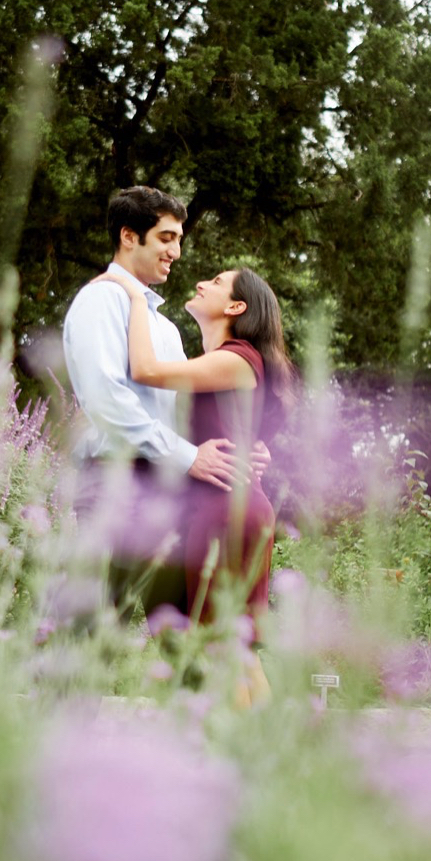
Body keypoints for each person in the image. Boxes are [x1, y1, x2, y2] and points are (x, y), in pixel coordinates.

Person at [61, 192, 238, 574]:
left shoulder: (166, 328)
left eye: (179, 240)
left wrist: (241, 447)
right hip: (113, 483)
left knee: (176, 625)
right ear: (129, 236)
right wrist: (189, 457)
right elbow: (106, 399)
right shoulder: (100, 299)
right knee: (101, 625)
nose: (176, 251)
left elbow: (181, 410)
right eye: (166, 237)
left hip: (167, 489)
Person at [109, 259, 287, 635]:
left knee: (224, 648)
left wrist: (137, 298)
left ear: (236, 307)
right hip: (217, 510)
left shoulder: (236, 358)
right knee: (223, 650)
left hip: (229, 512)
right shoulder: (220, 363)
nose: (203, 282)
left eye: (217, 281)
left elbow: (146, 370)